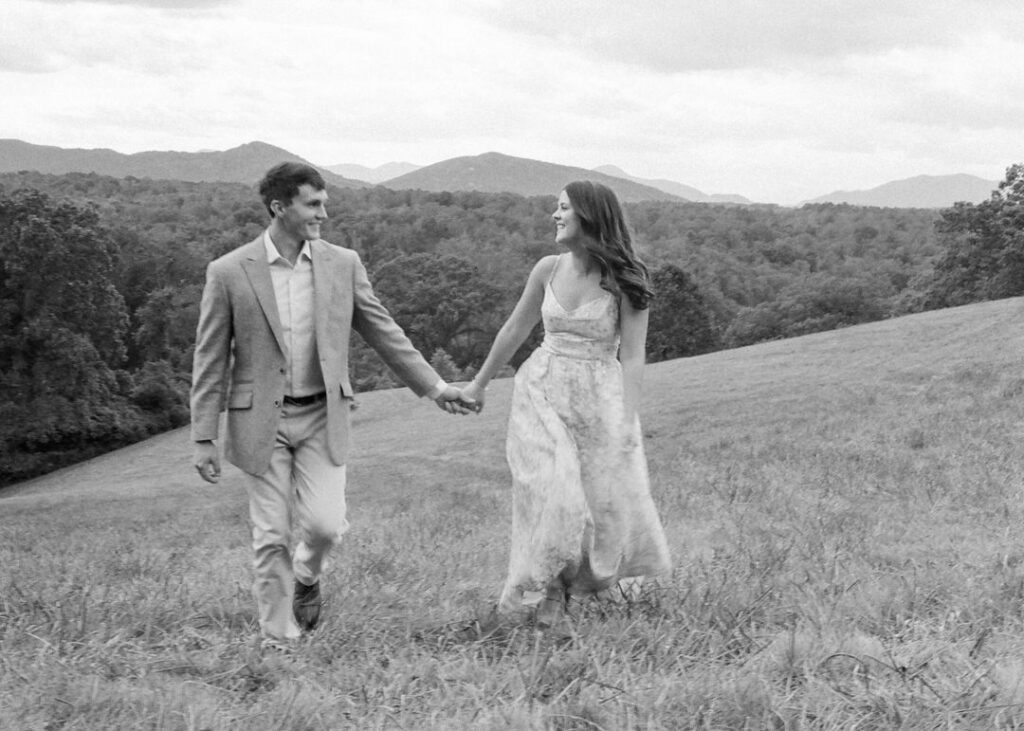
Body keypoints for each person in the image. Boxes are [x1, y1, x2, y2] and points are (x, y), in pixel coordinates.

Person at [190, 162, 473, 651]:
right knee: (270, 533)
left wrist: (435, 386)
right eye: (313, 204)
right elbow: (210, 356)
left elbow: (383, 330)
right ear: (280, 208)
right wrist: (203, 436)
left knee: (323, 526)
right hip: (261, 422)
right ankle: (279, 637)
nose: (324, 212)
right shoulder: (229, 271)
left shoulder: (343, 263)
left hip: (325, 414)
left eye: (324, 202)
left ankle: (307, 572)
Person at [460, 180, 671, 629]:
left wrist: (628, 420)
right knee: (552, 495)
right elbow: (514, 330)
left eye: (562, 209)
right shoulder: (547, 269)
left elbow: (632, 355)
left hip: (598, 400)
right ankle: (542, 596)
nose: (554, 217)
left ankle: (583, 587)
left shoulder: (626, 279)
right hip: (542, 391)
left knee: (601, 506)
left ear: (588, 218)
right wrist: (478, 385)